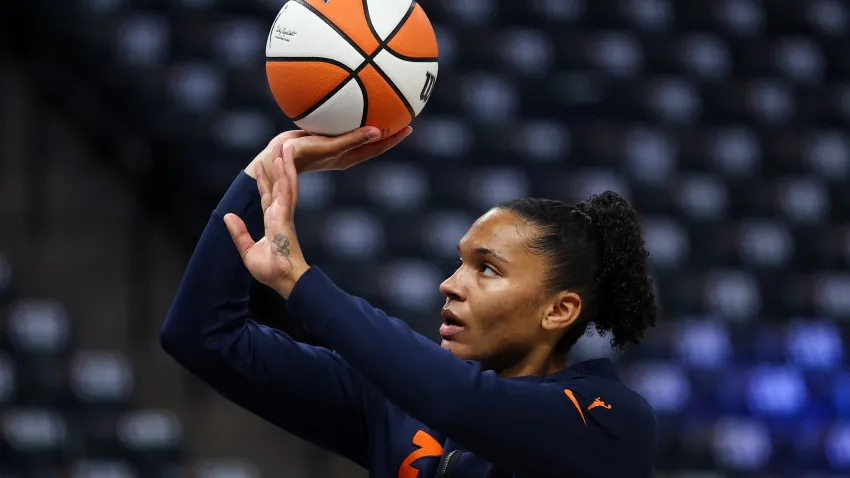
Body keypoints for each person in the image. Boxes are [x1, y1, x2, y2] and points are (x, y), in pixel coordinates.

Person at [160, 125, 660, 478]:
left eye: (486, 268)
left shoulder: (608, 419)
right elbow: (201, 337)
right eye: (459, 262)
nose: (450, 283)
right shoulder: (388, 403)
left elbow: (461, 404)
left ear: (559, 310)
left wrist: (301, 282)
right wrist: (263, 174)